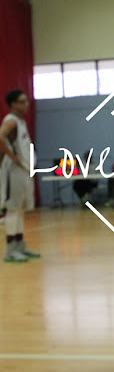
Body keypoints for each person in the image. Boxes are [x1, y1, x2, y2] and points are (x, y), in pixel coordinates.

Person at [0, 89, 40, 262]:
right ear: (14, 104)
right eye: (23, 101)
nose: (27, 104)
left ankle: (20, 245)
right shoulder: (11, 121)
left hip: (24, 170)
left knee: (20, 210)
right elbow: (0, 137)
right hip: (13, 171)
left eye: (27, 101)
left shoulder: (20, 121)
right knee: (13, 209)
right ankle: (10, 250)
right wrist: (12, 157)